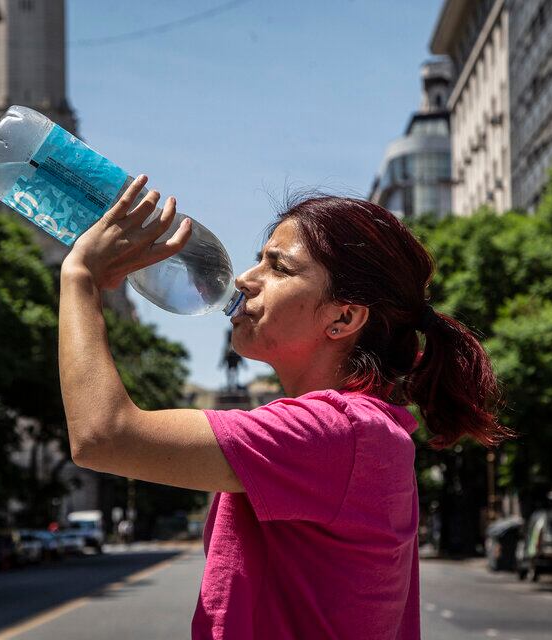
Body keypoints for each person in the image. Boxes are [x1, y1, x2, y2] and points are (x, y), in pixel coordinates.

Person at [58, 175, 510, 639]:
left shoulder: (333, 432)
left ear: (343, 317)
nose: (244, 279)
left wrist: (81, 278)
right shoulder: (362, 427)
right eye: (260, 260)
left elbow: (104, 435)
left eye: (279, 268)